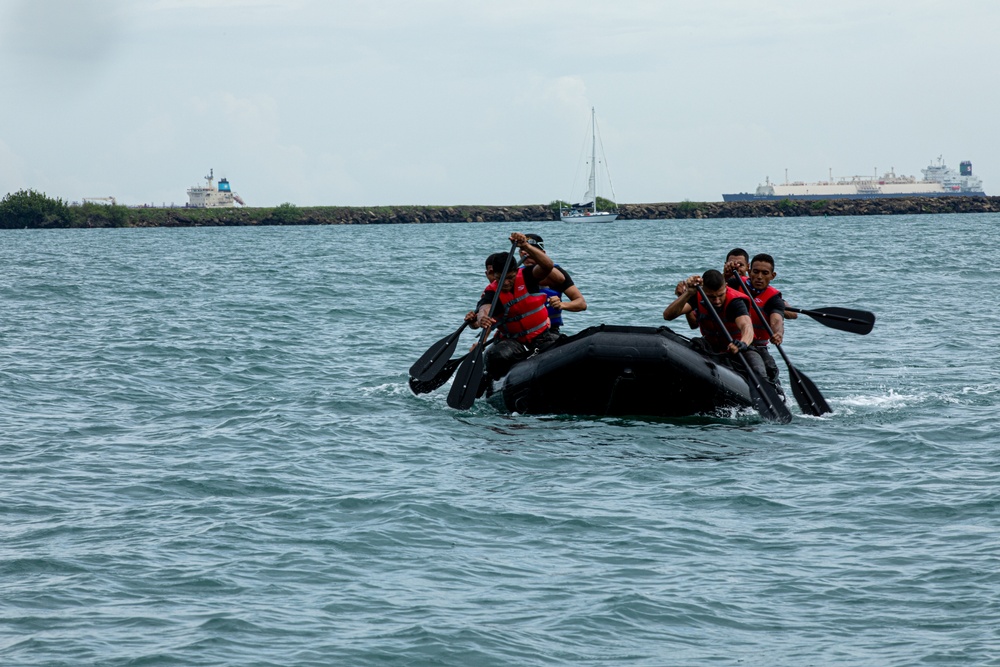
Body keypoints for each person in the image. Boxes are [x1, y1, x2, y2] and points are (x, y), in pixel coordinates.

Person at [476, 233, 564, 379]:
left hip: (542, 336)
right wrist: (482, 319)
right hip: (514, 342)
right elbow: (484, 308)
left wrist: (525, 246)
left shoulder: (528, 275)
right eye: (500, 279)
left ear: (516, 271)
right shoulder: (492, 292)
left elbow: (547, 266)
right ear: (495, 275)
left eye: (509, 278)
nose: (505, 283)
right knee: (496, 356)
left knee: (562, 350)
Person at [663, 269, 770, 385]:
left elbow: (746, 326)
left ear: (726, 286)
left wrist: (742, 343)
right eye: (712, 297)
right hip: (710, 346)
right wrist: (687, 293)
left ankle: (765, 391)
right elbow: (668, 315)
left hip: (737, 347)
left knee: (757, 366)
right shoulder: (698, 295)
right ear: (704, 290)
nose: (717, 301)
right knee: (693, 345)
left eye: (720, 295)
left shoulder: (735, 302)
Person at [518, 233, 587, 334]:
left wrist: (562, 305)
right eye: (522, 251)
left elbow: (581, 303)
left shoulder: (557, 273)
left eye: (532, 251)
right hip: (522, 332)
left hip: (549, 331)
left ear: (543, 253)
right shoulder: (515, 275)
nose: (526, 254)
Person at [741, 253, 786, 389]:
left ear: (772, 276)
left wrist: (778, 333)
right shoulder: (735, 283)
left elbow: (777, 320)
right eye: (756, 272)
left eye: (765, 273)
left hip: (757, 347)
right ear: (749, 271)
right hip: (732, 340)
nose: (759, 277)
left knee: (769, 370)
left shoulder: (774, 299)